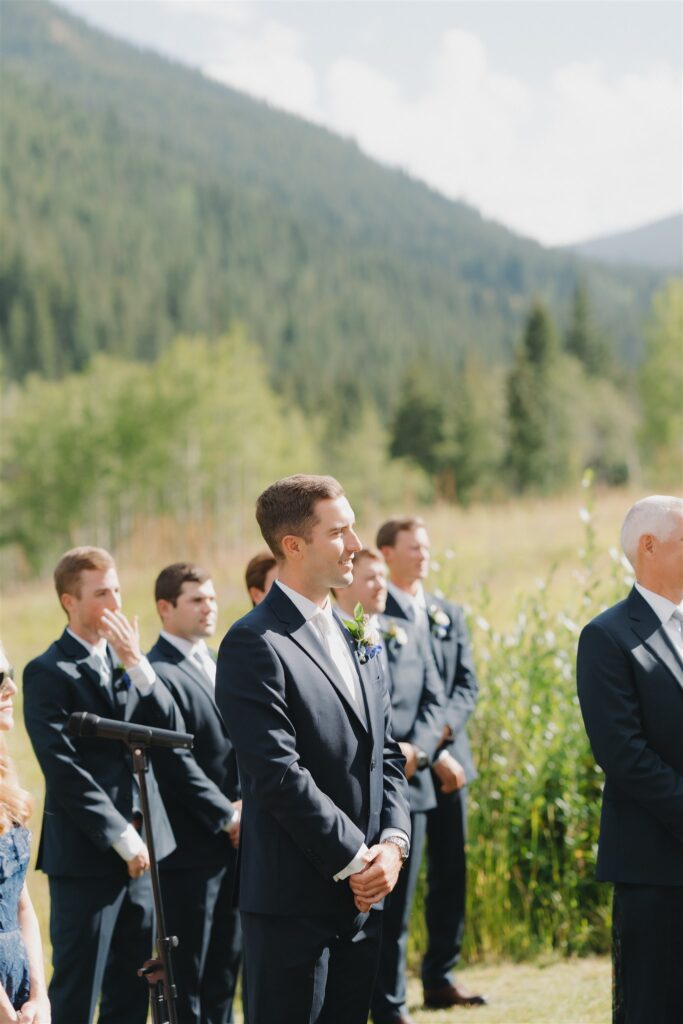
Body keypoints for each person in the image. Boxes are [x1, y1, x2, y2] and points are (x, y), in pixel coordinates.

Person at [216, 474, 411, 1024]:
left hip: (365, 899)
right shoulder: (254, 643)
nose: (354, 545)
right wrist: (356, 860)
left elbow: (386, 755)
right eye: (339, 532)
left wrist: (392, 845)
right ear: (293, 546)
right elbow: (278, 773)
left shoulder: (360, 634)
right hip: (292, 905)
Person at [23, 547, 181, 1024]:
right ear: (70, 602)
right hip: (87, 853)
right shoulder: (47, 671)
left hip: (145, 852)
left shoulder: (128, 659)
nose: (115, 600)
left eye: (116, 588)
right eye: (101, 592)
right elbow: (62, 767)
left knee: (135, 984)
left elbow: (167, 726)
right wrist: (122, 836)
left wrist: (137, 663)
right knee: (78, 982)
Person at [577, 495, 683, 1024]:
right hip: (656, 863)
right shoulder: (608, 636)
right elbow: (623, 754)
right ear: (650, 546)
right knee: (654, 1005)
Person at [377, 517, 485, 1010]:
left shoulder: (447, 612)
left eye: (426, 546)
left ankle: (440, 975)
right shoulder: (376, 615)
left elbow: (464, 687)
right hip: (407, 766)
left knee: (451, 873)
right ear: (385, 553)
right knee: (403, 884)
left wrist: (441, 745)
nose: (423, 555)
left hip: (449, 765)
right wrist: (427, 754)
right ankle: (389, 993)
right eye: (412, 547)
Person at [334, 548, 445, 1024]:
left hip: (405, 787)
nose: (381, 585)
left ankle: (392, 1005)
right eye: (370, 576)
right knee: (364, 913)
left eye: (383, 576)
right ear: (345, 583)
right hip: (355, 801)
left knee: (397, 913)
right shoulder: (336, 637)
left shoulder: (397, 631)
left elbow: (434, 698)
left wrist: (418, 749)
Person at [148, 563, 242, 1024]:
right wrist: (227, 815)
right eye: (196, 600)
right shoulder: (157, 673)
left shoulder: (216, 661)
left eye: (211, 598)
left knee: (226, 965)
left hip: (238, 841)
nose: (210, 608)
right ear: (166, 608)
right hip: (192, 847)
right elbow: (173, 763)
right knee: (191, 971)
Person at [0, 643, 50, 1024]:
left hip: (17, 986)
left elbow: (21, 903)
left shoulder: (5, 774)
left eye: (10, 675)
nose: (12, 689)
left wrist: (39, 995)